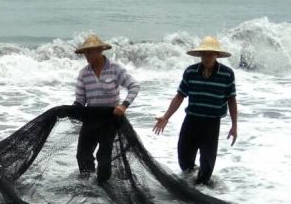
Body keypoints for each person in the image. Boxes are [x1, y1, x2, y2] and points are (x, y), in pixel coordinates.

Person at [152, 35, 238, 185]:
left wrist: (234, 126)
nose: (206, 57)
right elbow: (180, 96)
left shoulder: (227, 74)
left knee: (207, 161)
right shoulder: (191, 72)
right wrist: (166, 117)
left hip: (212, 122)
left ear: (216, 55)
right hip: (192, 119)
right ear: (200, 55)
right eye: (204, 54)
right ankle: (190, 184)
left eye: (210, 54)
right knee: (184, 157)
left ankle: (203, 189)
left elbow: (231, 100)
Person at [72, 33, 140, 183]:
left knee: (104, 156)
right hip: (91, 117)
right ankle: (89, 184)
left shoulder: (115, 69)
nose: (87, 55)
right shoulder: (84, 73)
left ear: (100, 50)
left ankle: (103, 184)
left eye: (91, 52)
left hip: (110, 118)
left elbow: (134, 86)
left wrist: (124, 105)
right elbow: (80, 99)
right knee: (82, 154)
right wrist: (73, 109)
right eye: (85, 53)